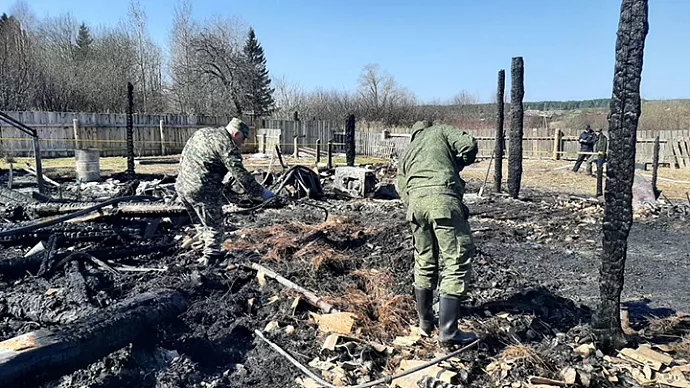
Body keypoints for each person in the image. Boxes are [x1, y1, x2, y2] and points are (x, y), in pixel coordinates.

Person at [397, 120, 478, 347]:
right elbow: (468, 145)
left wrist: (415, 202)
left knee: (424, 260)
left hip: (415, 207)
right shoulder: (440, 131)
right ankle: (449, 333)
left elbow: (400, 185)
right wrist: (459, 163)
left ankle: (425, 323)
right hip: (442, 200)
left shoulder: (408, 152)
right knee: (456, 260)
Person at [176, 118, 275, 265]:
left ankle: (205, 249)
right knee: (215, 226)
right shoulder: (226, 144)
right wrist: (261, 193)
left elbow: (184, 156)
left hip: (182, 186)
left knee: (201, 222)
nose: (243, 143)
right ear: (235, 133)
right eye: (243, 138)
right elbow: (239, 173)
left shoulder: (202, 133)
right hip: (202, 190)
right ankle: (211, 260)